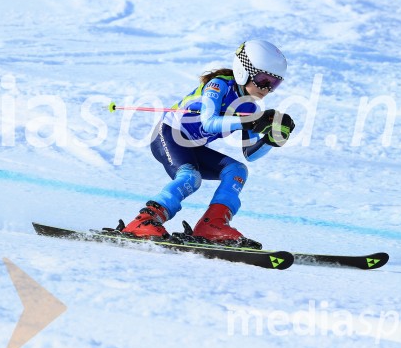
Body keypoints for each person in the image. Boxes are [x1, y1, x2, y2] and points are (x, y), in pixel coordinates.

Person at [121, 40, 295, 247]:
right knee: (190, 177)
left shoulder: (249, 108)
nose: (267, 89)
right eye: (263, 79)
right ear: (243, 71)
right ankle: (144, 221)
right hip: (169, 134)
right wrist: (249, 121)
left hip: (193, 146)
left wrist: (271, 140)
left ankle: (213, 224)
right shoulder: (218, 85)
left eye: (274, 83)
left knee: (237, 170)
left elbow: (251, 154)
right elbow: (209, 122)